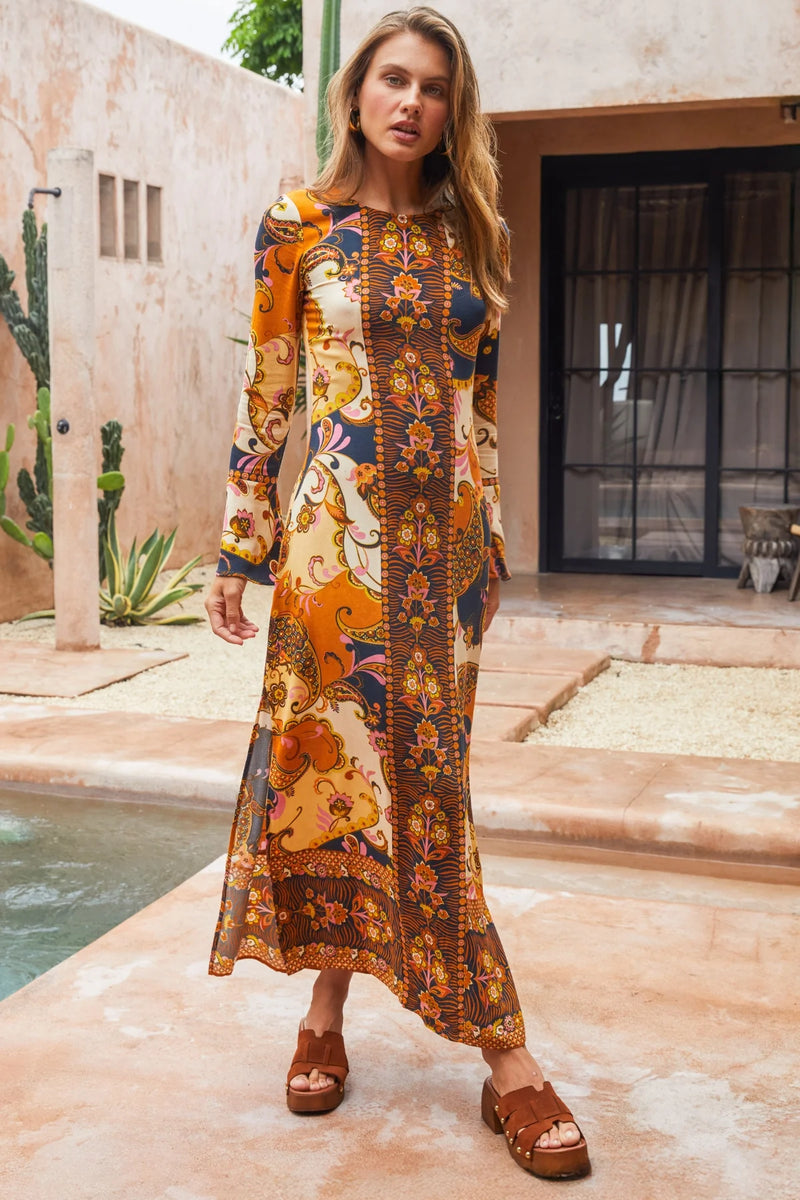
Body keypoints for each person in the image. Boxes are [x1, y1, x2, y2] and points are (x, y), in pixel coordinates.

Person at [205, 5, 590, 1181]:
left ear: (449, 110)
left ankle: (346, 1015)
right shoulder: (298, 224)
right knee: (339, 780)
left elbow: (479, 409)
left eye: (432, 86)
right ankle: (495, 1059)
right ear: (355, 95)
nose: (410, 101)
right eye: (392, 80)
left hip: (448, 567)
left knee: (427, 787)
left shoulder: (479, 232)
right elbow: (267, 392)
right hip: (336, 560)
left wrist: (495, 546)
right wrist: (240, 545)